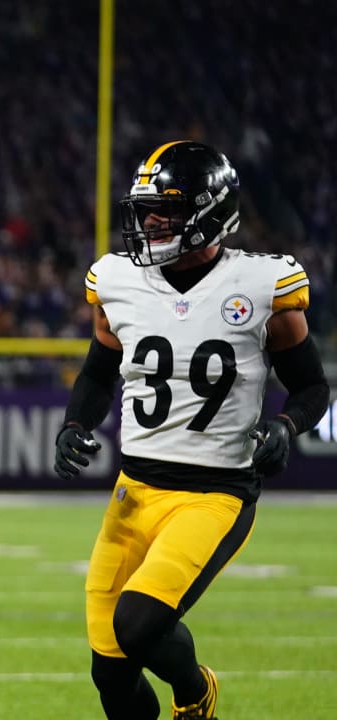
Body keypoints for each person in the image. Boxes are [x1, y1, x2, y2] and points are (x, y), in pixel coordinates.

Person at [54, 140, 331, 720]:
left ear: (210, 214)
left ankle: (195, 694)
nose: (152, 222)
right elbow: (99, 371)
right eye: (147, 209)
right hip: (136, 491)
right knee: (109, 670)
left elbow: (311, 388)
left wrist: (286, 425)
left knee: (138, 623)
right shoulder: (117, 280)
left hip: (214, 494)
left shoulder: (262, 286)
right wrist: (75, 423)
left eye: (169, 211)